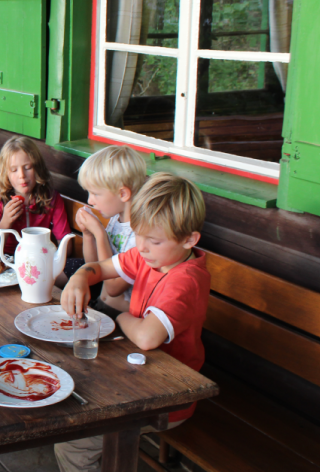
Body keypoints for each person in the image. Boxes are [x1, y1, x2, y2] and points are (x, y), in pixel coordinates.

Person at [55, 172, 210, 472]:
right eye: (137, 234)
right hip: (138, 376)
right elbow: (100, 268)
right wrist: (78, 277)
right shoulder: (152, 256)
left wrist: (122, 316)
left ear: (190, 239)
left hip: (170, 395)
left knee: (72, 439)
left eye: (152, 240)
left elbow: (148, 337)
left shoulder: (185, 280)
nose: (142, 246)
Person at [74, 145, 148, 316]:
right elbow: (94, 266)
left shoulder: (142, 235)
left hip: (122, 317)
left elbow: (113, 287)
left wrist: (100, 234)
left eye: (95, 194)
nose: (89, 200)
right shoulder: (116, 219)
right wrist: (88, 234)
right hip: (101, 305)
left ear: (123, 194)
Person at [0, 136, 71, 260]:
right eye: (14, 170)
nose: (22, 175)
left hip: (40, 259)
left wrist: (51, 257)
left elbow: (66, 246)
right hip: (7, 260)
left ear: (37, 168)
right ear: (5, 173)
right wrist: (6, 222)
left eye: (28, 167)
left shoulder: (52, 199)